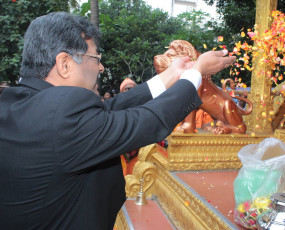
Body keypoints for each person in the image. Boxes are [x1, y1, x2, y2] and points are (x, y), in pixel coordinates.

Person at [0, 12, 235, 230]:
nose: (101, 67)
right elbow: (148, 121)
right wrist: (197, 73)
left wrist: (172, 74)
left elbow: (109, 108)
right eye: (95, 57)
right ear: (65, 64)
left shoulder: (19, 104)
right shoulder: (60, 116)